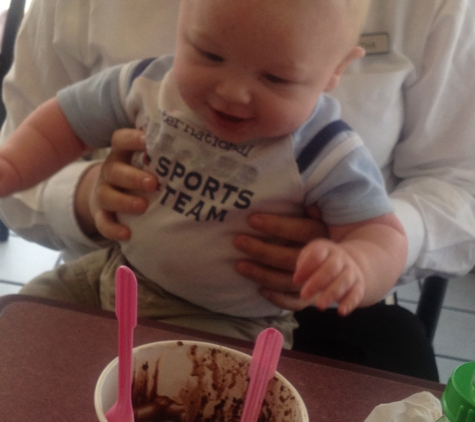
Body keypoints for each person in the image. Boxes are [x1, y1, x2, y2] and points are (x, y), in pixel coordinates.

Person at [1, 0, 474, 381]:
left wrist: (353, 264)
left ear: (335, 72)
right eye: (208, 54)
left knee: (179, 388)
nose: (232, 91)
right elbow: (60, 122)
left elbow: (383, 230)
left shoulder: (323, 150)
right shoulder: (148, 82)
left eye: (275, 78)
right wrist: (16, 167)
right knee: (26, 327)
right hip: (112, 267)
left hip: (228, 318)